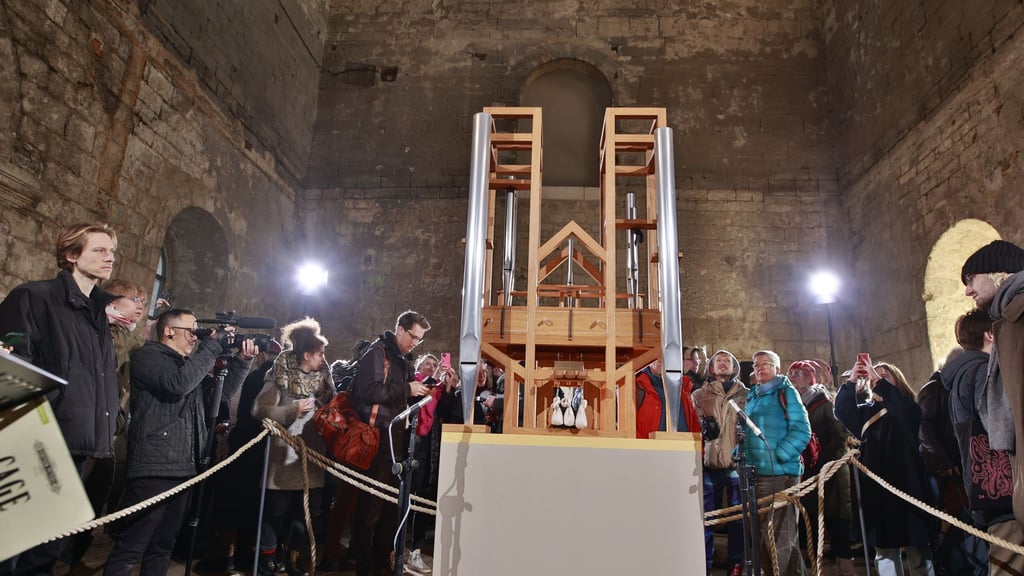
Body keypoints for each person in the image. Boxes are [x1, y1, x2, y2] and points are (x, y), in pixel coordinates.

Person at [0, 223, 120, 576]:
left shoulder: (97, 314)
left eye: (112, 251)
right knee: (13, 546)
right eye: (99, 250)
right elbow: (13, 364)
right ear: (71, 255)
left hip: (78, 443)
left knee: (48, 549)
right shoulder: (33, 296)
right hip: (37, 440)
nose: (110, 257)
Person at [103, 308, 255, 576]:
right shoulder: (149, 357)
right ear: (169, 331)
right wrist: (211, 346)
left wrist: (242, 362)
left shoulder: (187, 366)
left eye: (198, 332)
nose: (195, 337)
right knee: (132, 547)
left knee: (163, 547)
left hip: (183, 467)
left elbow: (218, 396)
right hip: (154, 468)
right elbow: (176, 385)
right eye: (191, 331)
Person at [347, 310, 431, 576]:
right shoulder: (377, 353)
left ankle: (382, 559)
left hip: (396, 439)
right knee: (371, 505)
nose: (416, 343)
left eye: (419, 339)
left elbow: (401, 396)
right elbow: (369, 391)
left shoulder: (404, 359)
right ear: (400, 330)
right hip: (377, 437)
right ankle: (363, 564)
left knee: (390, 506)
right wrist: (407, 389)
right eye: (414, 337)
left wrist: (423, 390)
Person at [835, 357, 935, 576]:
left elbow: (905, 414)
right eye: (873, 376)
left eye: (884, 376)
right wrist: (852, 381)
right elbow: (842, 410)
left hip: (908, 484)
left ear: (897, 381)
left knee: (918, 548)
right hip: (877, 486)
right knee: (885, 550)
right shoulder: (865, 412)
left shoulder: (908, 405)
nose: (875, 378)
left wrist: (877, 378)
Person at [252, 318, 335, 576]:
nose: (324, 358)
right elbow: (259, 409)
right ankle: (267, 561)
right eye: (320, 354)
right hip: (283, 458)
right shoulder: (281, 375)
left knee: (305, 515)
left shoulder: (324, 379)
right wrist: (291, 410)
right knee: (275, 514)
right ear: (307, 355)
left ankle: (293, 560)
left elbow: (332, 405)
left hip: (312, 457)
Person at [943, 309, 1020, 575]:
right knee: (1009, 564)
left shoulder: (962, 373)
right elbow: (1001, 424)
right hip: (1002, 490)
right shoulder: (983, 371)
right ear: (990, 335)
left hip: (985, 489)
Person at [961, 239, 1024, 531]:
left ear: (998, 271)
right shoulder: (1008, 320)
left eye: (971, 278)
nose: (968, 290)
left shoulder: (1018, 318)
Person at [744, 350, 810, 576]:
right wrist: (740, 452)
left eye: (765, 364)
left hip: (780, 475)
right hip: (757, 474)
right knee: (762, 537)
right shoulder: (753, 395)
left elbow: (802, 430)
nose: (759, 368)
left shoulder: (786, 392)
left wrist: (779, 455)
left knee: (781, 537)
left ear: (777, 368)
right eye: (756, 364)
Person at [787, 360, 854, 576]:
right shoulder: (794, 404)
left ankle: (844, 565)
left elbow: (840, 436)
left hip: (831, 471)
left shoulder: (825, 403)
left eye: (798, 374)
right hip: (808, 472)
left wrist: (821, 461)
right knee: (809, 518)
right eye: (791, 374)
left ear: (810, 377)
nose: (793, 378)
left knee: (837, 518)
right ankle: (810, 565)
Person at [691, 350, 747, 576]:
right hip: (709, 465)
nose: (723, 364)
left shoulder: (746, 395)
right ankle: (704, 564)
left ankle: (735, 566)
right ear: (711, 367)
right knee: (707, 519)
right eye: (718, 361)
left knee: (737, 521)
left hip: (736, 466)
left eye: (728, 361)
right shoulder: (698, 395)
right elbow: (693, 424)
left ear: (735, 367)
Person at [635, 358, 701, 438]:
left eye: (665, 355)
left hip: (683, 444)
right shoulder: (638, 387)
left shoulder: (684, 388)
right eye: (656, 356)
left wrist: (698, 445)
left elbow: (695, 426)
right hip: (648, 445)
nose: (661, 359)